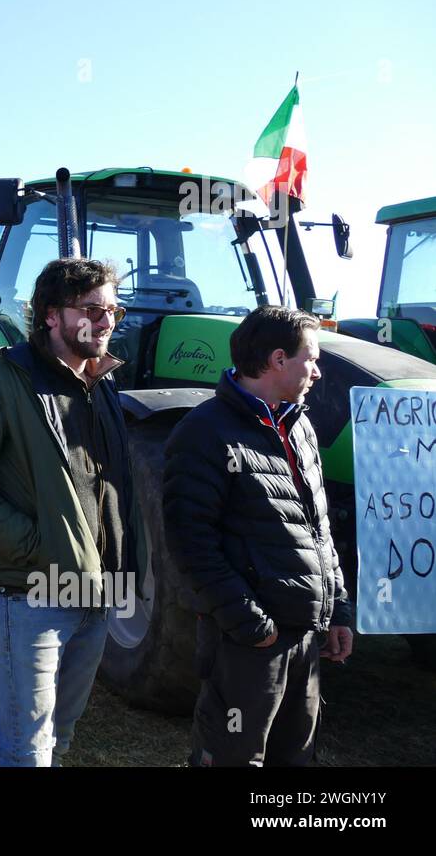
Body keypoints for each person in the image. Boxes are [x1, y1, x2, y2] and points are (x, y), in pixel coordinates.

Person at [0, 258, 136, 766]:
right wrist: (33, 547)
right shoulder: (0, 379)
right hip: (33, 593)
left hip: (97, 593)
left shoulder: (101, 382)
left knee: (57, 739)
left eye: (114, 308)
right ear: (51, 315)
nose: (108, 320)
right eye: (92, 309)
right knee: (27, 749)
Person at [163, 304, 353, 766]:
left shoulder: (298, 424)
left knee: (295, 758)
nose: (319, 370)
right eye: (312, 357)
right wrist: (249, 622)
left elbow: (317, 527)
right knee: (233, 755)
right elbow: (191, 541)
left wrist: (336, 607)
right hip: (248, 641)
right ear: (277, 359)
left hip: (304, 632)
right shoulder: (204, 432)